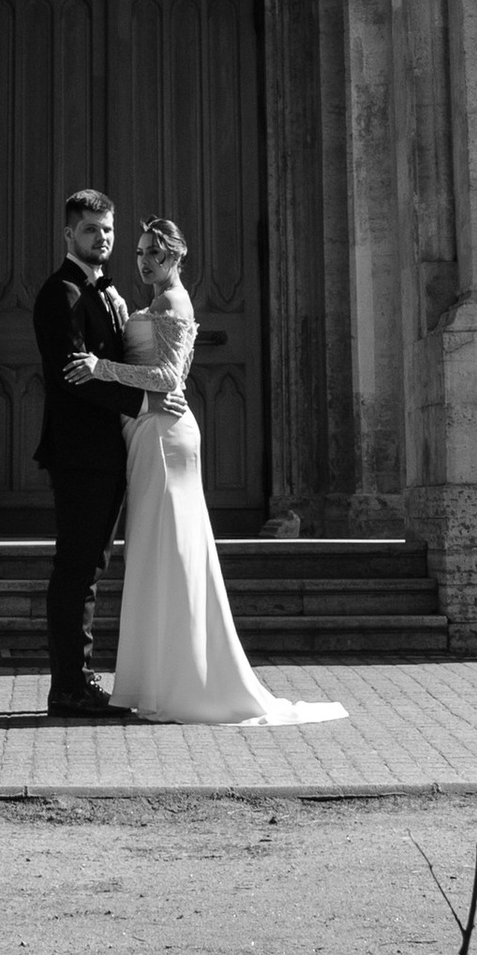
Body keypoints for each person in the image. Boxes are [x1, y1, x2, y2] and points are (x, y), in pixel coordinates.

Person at [67, 215, 346, 728]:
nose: (145, 261)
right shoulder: (152, 303)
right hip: (146, 432)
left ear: (176, 256)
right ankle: (156, 680)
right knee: (154, 553)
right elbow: (158, 362)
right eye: (140, 252)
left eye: (155, 253)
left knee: (171, 552)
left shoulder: (174, 302)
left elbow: (169, 375)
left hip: (165, 436)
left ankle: (183, 682)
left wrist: (99, 367)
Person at [31, 185, 132, 720]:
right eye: (91, 229)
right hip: (80, 452)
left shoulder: (103, 291)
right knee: (77, 568)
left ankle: (76, 680)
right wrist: (142, 401)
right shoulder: (61, 292)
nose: (102, 238)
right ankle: (70, 685)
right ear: (69, 233)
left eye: (108, 230)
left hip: (107, 451)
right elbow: (76, 375)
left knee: (91, 564)